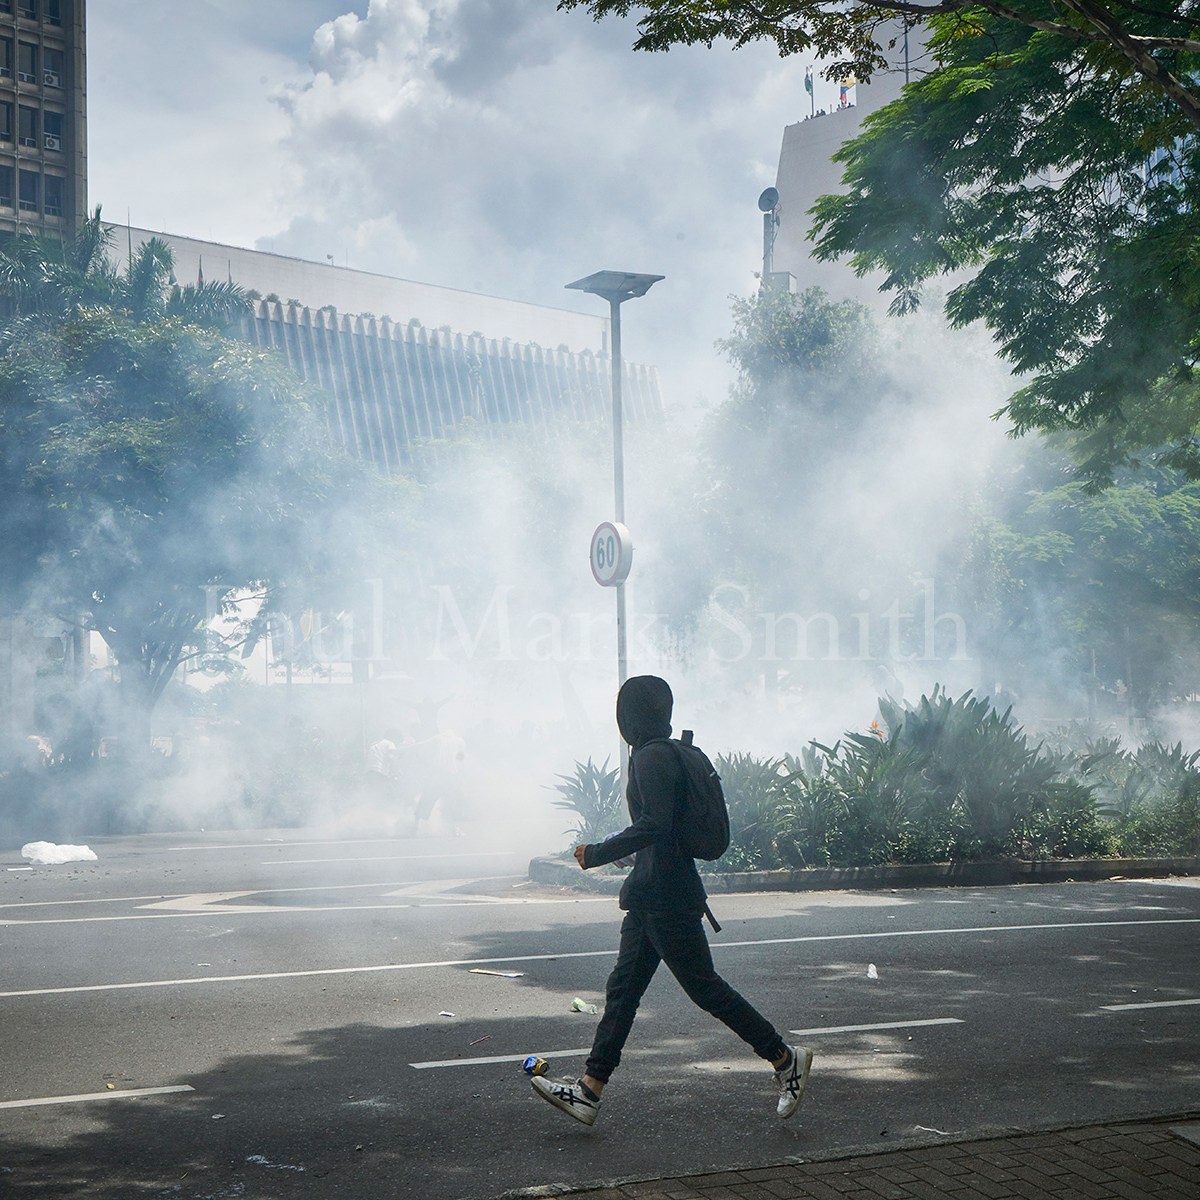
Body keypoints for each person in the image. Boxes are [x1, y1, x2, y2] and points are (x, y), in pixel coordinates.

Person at [530, 675, 813, 1127]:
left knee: (704, 989)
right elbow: (664, 828)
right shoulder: (663, 753)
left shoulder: (651, 756)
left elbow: (656, 823)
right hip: (652, 894)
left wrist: (599, 853)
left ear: (631, 715)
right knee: (623, 993)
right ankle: (589, 1090)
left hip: (667, 898)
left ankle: (784, 1057)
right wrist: (631, 855)